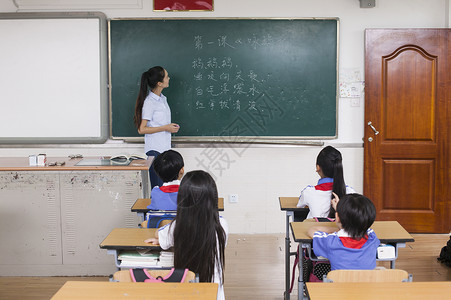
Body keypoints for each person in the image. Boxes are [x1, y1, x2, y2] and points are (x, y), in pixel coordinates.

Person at [145, 170, 228, 300]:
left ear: (182, 199)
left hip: (186, 291)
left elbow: (159, 234)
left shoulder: (178, 226)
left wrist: (161, 237)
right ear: (213, 197)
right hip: (215, 294)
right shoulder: (222, 224)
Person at [133, 66, 180, 189]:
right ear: (159, 83)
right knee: (158, 189)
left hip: (164, 151)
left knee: (164, 188)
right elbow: (141, 129)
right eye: (166, 77)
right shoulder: (150, 102)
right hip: (154, 151)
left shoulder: (162, 99)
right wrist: (166, 127)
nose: (169, 78)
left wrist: (169, 127)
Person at [307, 193, 380, 270]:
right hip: (367, 282)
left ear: (337, 217)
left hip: (339, 282)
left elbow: (311, 230)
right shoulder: (372, 238)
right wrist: (341, 213)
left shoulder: (331, 242)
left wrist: (340, 212)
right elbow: (361, 224)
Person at [297, 146, 355, 219]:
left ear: (318, 168)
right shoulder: (351, 192)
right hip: (339, 229)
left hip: (315, 229)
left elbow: (299, 205)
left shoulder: (308, 192)